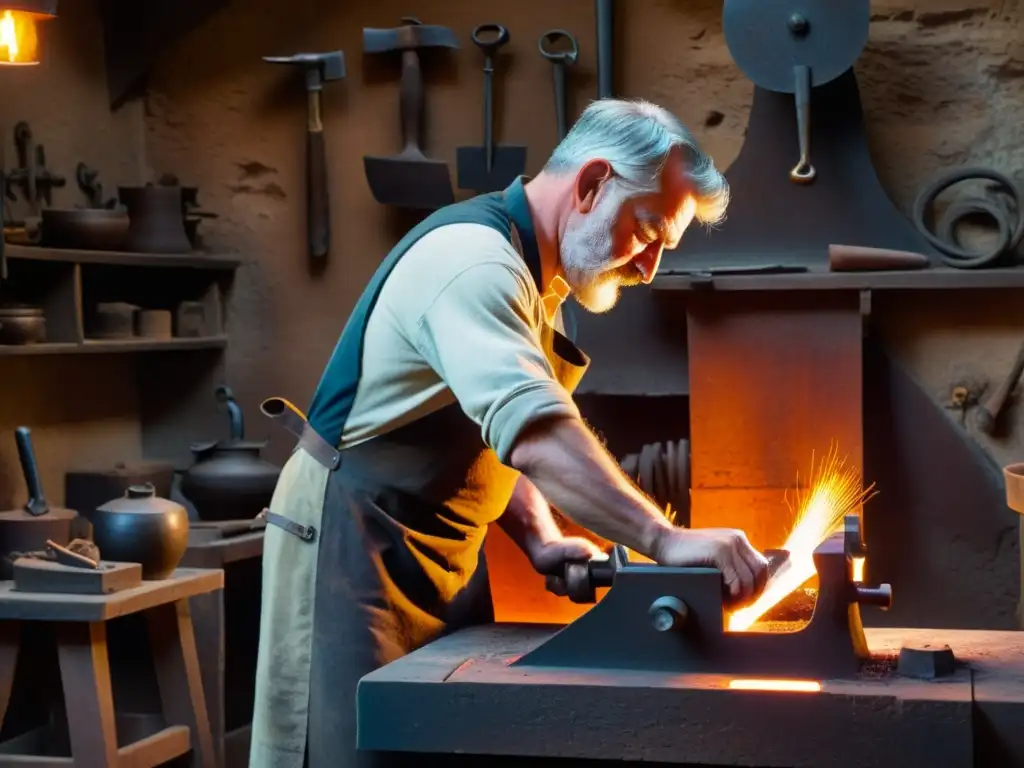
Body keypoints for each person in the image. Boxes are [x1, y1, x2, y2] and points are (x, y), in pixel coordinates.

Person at [249, 98, 769, 768]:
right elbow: (536, 434)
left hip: (435, 559)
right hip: (351, 557)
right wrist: (663, 539)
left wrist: (538, 534)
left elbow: (483, 426)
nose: (649, 269)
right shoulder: (475, 264)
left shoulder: (535, 275)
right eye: (646, 233)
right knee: (351, 750)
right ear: (592, 184)